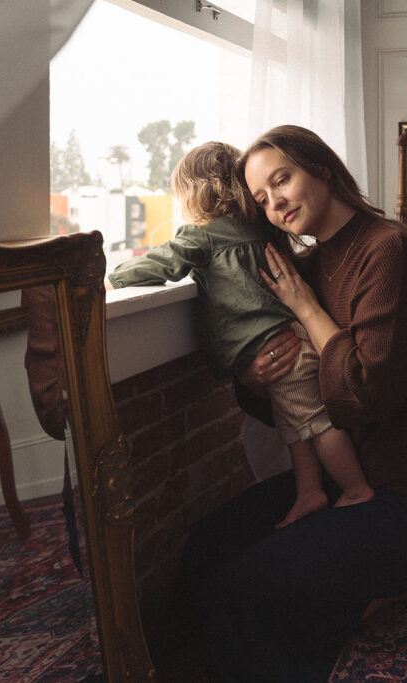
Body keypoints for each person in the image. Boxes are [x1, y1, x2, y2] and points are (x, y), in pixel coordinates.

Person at [180, 125, 407, 682]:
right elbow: (285, 409)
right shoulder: (308, 266)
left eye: (282, 179)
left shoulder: (392, 251)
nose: (275, 203)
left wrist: (305, 308)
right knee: (207, 545)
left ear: (321, 168)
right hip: (350, 483)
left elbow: (363, 397)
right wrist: (254, 373)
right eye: (262, 199)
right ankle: (367, 594)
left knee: (252, 585)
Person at [107, 141, 374, 528]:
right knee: (295, 425)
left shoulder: (205, 237)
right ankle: (310, 492)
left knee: (316, 423)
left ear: (196, 192)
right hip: (292, 337)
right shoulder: (259, 229)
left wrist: (113, 280)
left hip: (283, 349)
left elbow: (165, 262)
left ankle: (355, 489)